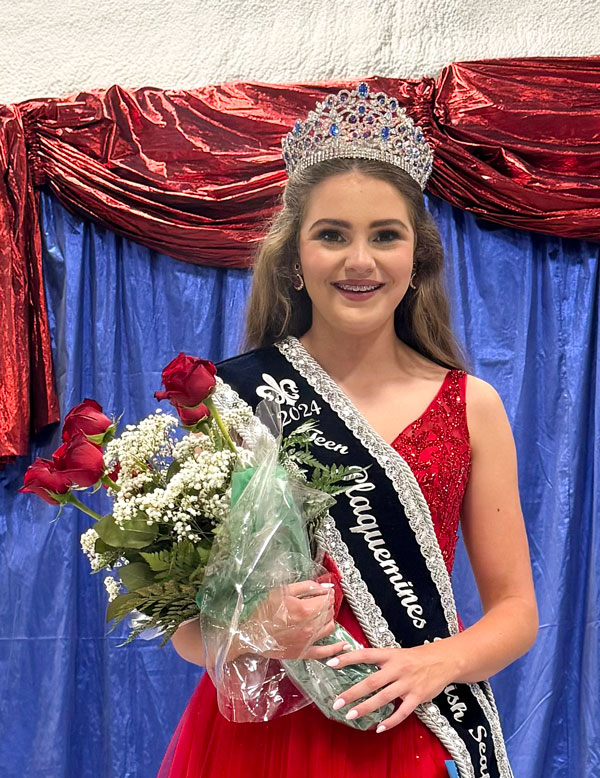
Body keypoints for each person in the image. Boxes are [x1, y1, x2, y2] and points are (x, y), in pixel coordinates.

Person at [158, 82, 538, 778]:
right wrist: (258, 622)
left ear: (418, 259)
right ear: (295, 258)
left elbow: (516, 612)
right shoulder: (235, 400)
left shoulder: (472, 405)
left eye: (384, 236)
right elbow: (188, 636)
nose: (359, 262)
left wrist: (438, 662)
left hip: (411, 725)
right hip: (260, 738)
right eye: (331, 235)